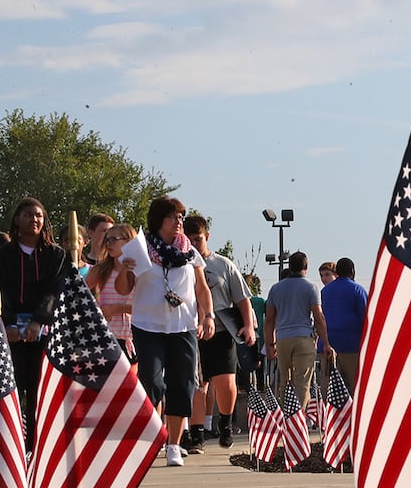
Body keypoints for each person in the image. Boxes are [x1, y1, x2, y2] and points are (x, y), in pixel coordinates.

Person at [116, 196, 214, 467]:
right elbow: (124, 288)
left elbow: (201, 288)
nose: (179, 222)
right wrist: (124, 270)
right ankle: (152, 433)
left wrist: (208, 316)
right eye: (173, 217)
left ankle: (173, 444)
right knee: (152, 380)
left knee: (183, 383)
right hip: (148, 326)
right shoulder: (140, 249)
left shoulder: (189, 251)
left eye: (181, 217)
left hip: (182, 326)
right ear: (159, 220)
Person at [0, 197, 72, 450]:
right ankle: (13, 445)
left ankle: (36, 446)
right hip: (12, 332)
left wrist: (38, 321)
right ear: (17, 219)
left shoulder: (55, 255)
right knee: (15, 387)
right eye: (28, 215)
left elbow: (55, 290)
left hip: (45, 330)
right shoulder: (5, 254)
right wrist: (10, 323)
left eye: (38, 215)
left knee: (40, 388)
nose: (34, 220)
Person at [185, 216, 258, 448]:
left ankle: (225, 423)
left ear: (206, 237)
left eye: (197, 239)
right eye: (189, 240)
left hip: (221, 330)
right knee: (197, 384)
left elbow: (242, 298)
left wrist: (247, 325)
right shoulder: (181, 265)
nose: (194, 244)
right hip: (192, 330)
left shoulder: (223, 265)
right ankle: (196, 433)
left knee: (225, 382)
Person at [264, 251, 333, 413]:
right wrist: (326, 343)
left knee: (285, 381)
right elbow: (318, 317)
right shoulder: (311, 287)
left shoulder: (276, 289)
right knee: (302, 382)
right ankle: (299, 420)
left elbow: (269, 319)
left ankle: (287, 417)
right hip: (303, 337)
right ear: (306, 267)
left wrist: (269, 343)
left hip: (282, 338)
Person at [85, 223, 137, 361]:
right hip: (105, 337)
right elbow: (80, 293)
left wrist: (118, 308)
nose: (108, 243)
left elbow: (148, 308)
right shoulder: (101, 269)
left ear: (129, 241)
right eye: (107, 240)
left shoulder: (140, 270)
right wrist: (97, 311)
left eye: (113, 239)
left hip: (134, 339)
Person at [319, 257, 367, 393]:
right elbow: (366, 318)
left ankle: (328, 413)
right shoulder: (358, 290)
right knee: (355, 386)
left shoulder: (324, 292)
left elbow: (319, 317)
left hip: (327, 345)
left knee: (329, 388)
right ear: (352, 271)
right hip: (352, 345)